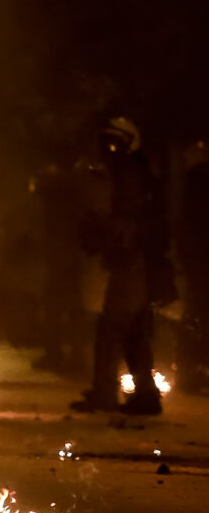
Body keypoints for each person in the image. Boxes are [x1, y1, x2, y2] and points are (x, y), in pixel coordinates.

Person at [71, 116, 175, 415]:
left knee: (111, 328)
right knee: (134, 331)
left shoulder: (130, 174)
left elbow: (128, 222)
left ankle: (105, 394)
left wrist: (101, 230)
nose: (109, 148)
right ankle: (146, 396)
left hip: (133, 260)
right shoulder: (133, 172)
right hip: (137, 260)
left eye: (114, 142)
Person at [30, 157, 86, 373]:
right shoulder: (71, 195)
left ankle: (57, 355)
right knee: (70, 308)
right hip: (68, 255)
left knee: (57, 307)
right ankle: (73, 356)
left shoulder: (54, 196)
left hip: (61, 256)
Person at [177, 139, 209, 392]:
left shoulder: (196, 182)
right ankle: (194, 372)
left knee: (197, 314)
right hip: (198, 258)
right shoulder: (195, 181)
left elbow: (191, 223)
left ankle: (193, 373)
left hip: (199, 259)